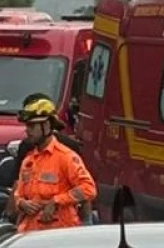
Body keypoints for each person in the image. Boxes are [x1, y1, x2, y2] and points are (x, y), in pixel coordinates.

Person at [8, 98, 97, 233]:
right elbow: (19, 193)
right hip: (29, 234)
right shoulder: (28, 160)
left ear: (47, 126)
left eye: (32, 126)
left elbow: (88, 189)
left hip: (60, 234)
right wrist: (21, 203)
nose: (27, 131)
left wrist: (56, 201)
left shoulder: (65, 157)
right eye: (27, 126)